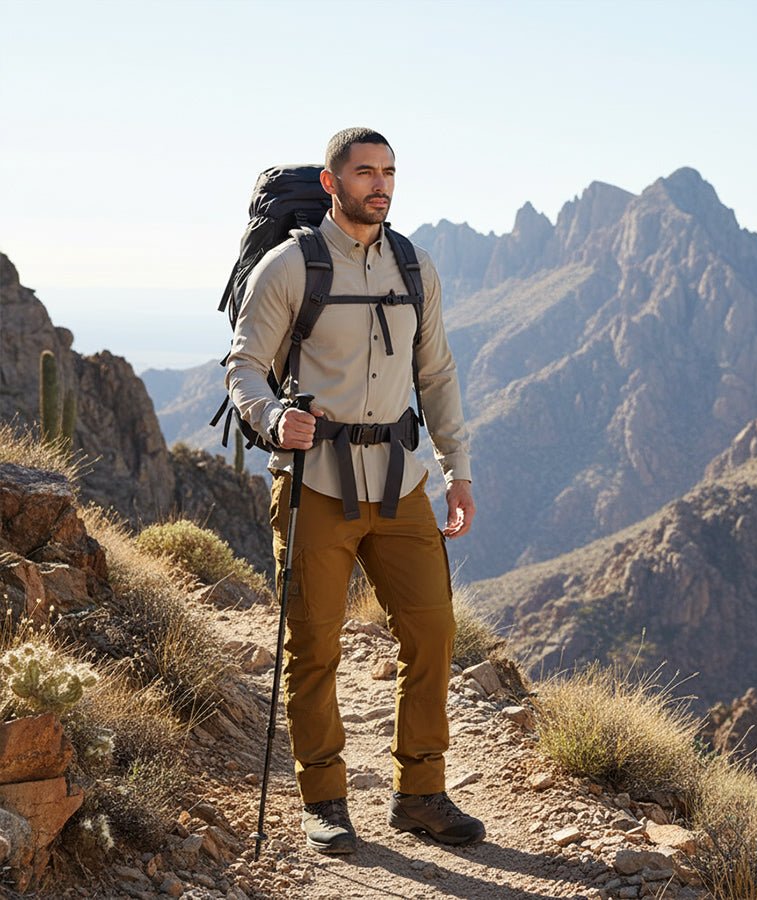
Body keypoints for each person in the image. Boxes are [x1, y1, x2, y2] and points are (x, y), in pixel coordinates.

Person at [226, 127, 485, 854]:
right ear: (333, 184)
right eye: (366, 173)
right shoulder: (289, 267)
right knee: (314, 647)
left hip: (400, 486)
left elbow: (436, 374)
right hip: (315, 486)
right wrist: (274, 417)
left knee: (431, 630)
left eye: (390, 172)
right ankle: (326, 802)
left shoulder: (414, 265)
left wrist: (458, 472)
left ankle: (422, 795)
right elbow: (244, 365)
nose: (382, 184)